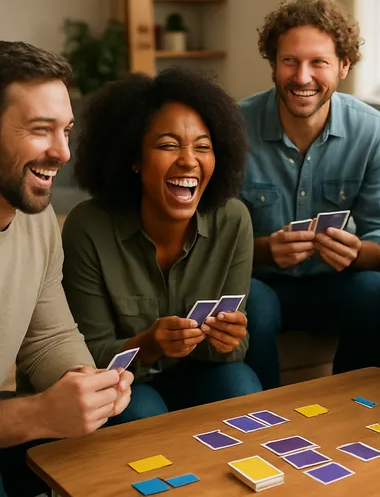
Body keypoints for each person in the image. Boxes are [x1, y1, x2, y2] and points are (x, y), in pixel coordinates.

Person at [0, 41, 132, 497]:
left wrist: (83, 383)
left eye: (67, 130)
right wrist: (40, 414)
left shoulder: (35, 218)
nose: (63, 153)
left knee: (117, 430)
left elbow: (47, 338)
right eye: (42, 130)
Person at [62, 67, 262, 423]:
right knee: (140, 412)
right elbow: (86, 357)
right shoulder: (88, 227)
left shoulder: (233, 220)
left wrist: (229, 340)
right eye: (168, 145)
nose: (188, 160)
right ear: (134, 159)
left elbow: (238, 350)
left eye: (203, 147)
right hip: (126, 384)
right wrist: (147, 345)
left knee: (241, 385)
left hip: (200, 373)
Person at [239, 0, 380, 390]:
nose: (302, 77)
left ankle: (354, 407)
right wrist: (264, 249)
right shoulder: (234, 127)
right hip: (263, 283)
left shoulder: (371, 129)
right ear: (273, 65)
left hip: (335, 284)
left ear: (343, 66)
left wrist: (359, 252)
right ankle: (263, 417)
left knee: (376, 290)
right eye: (290, 61)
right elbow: (211, 237)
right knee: (252, 301)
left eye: (318, 63)